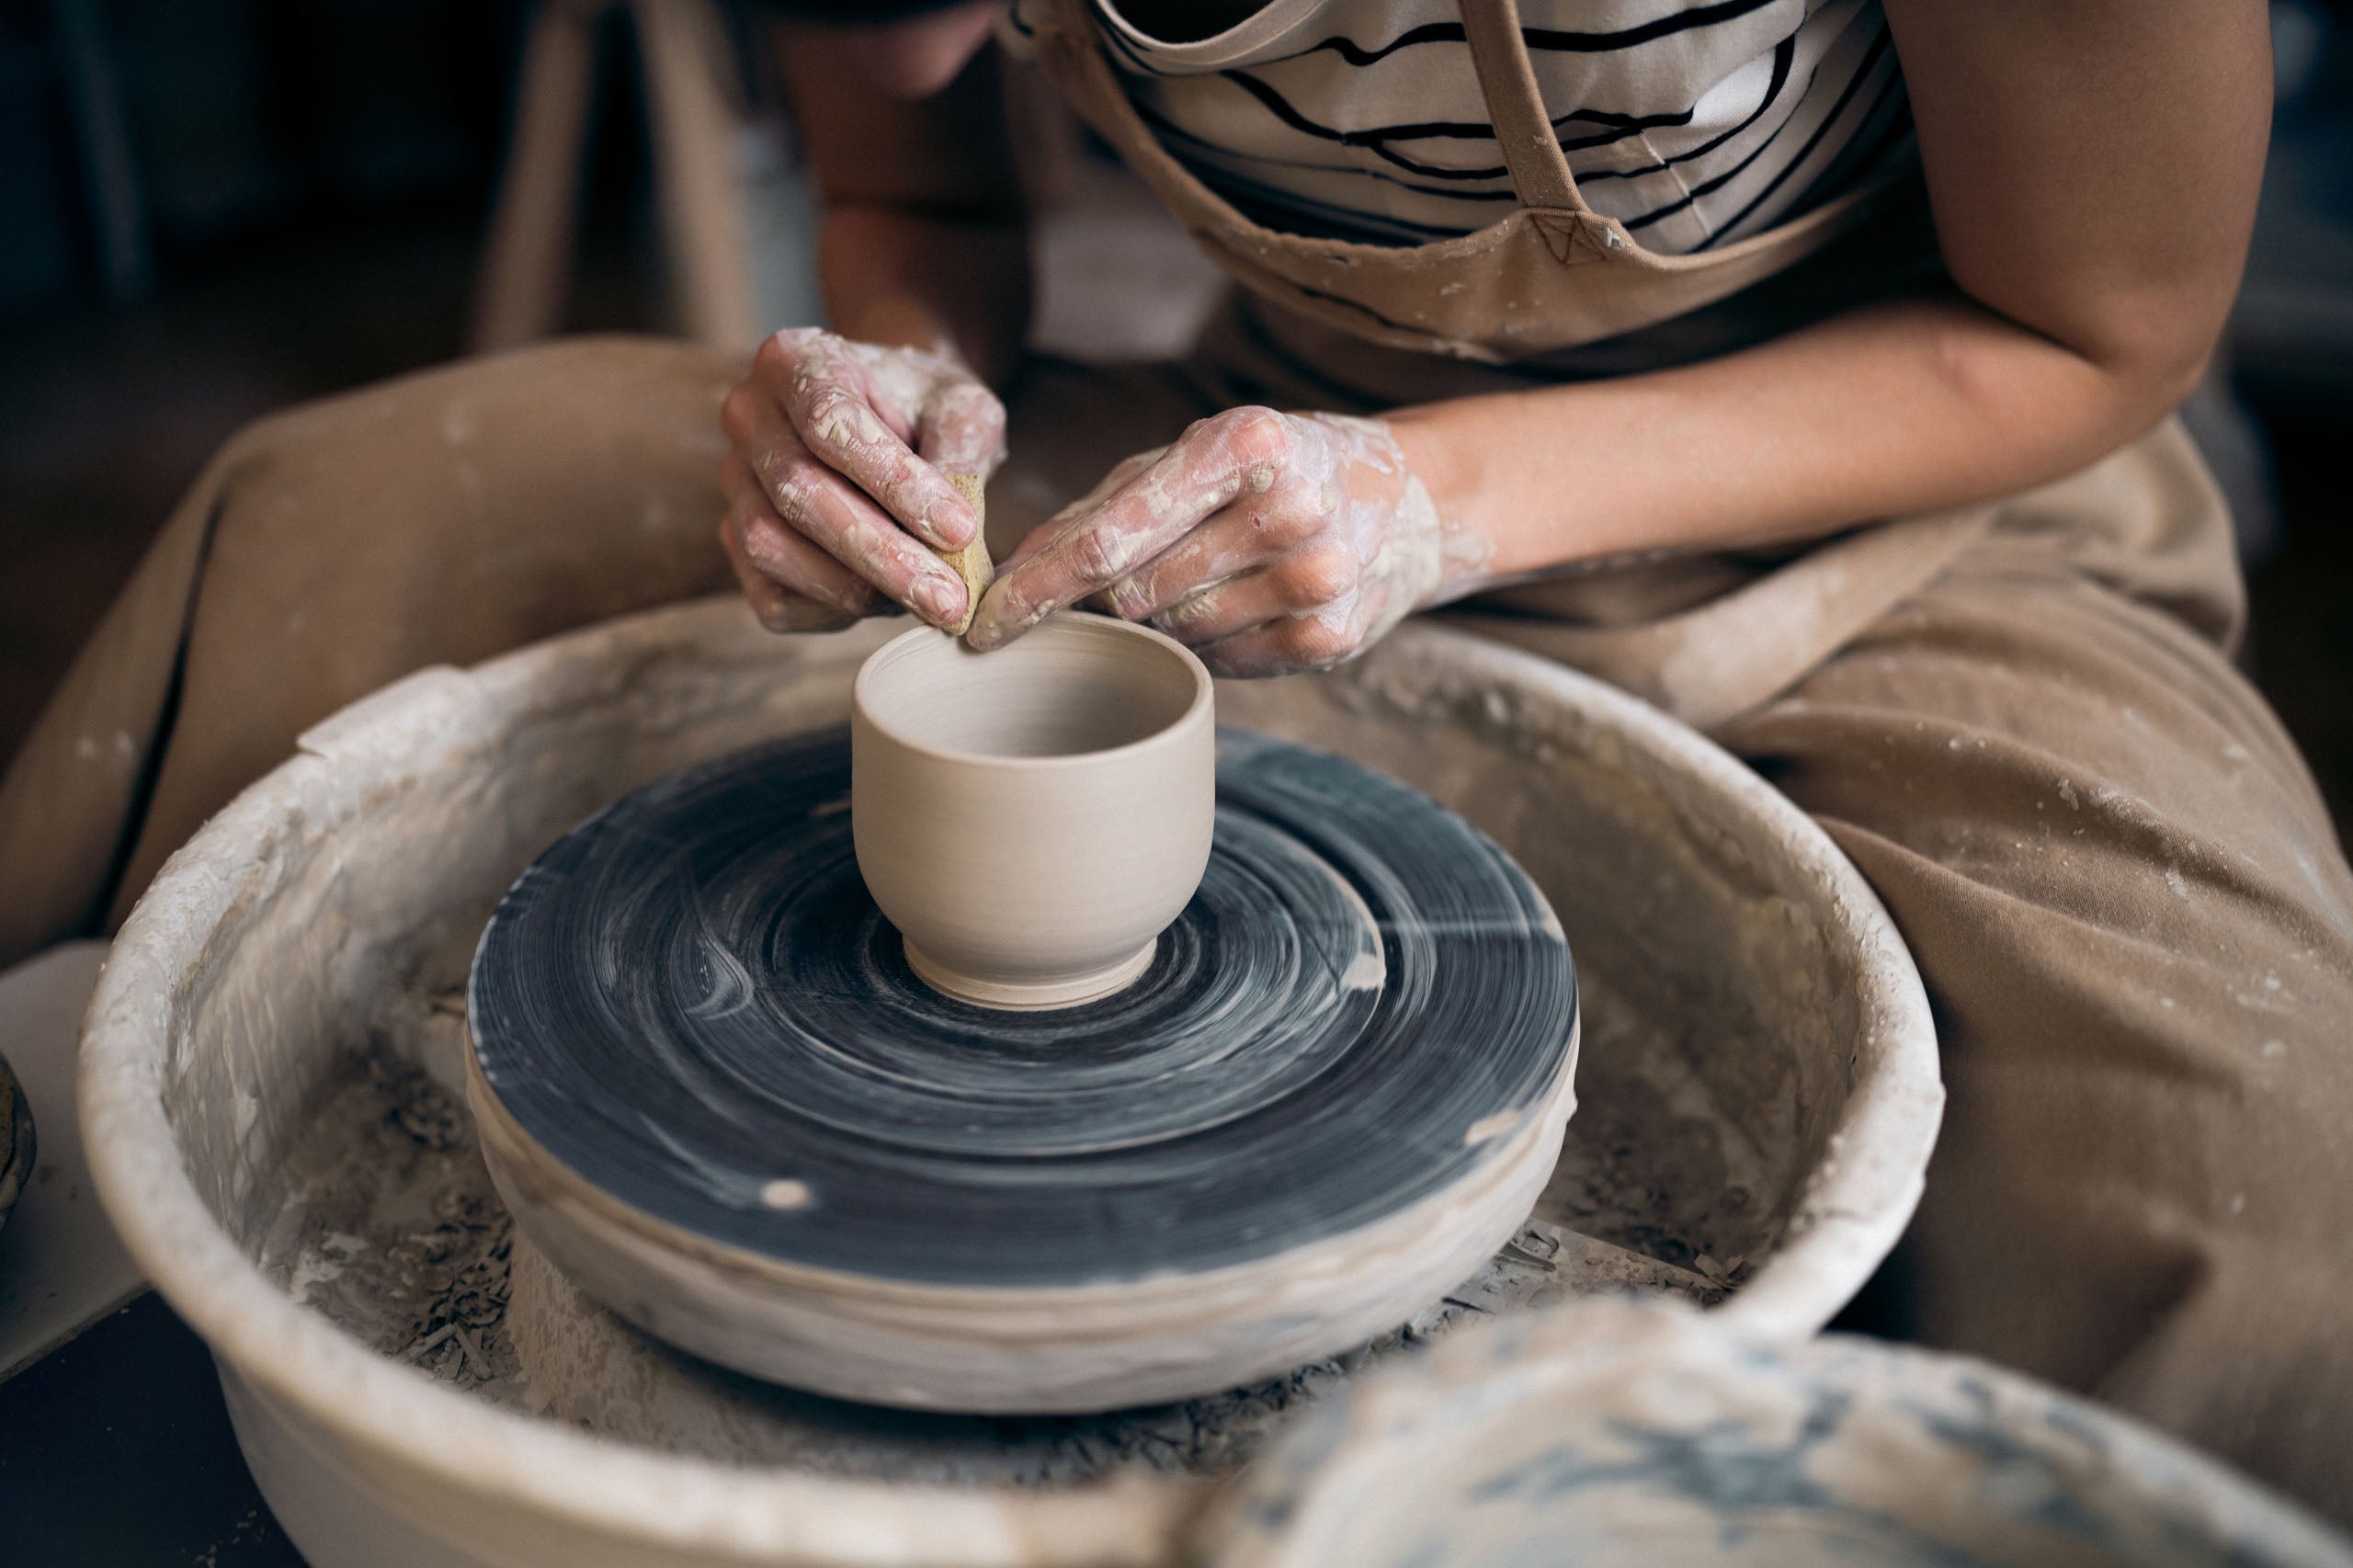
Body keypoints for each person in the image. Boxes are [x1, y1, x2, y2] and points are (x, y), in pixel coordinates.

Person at [2, 0, 2347, 1526]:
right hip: (1244, 468)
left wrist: (1442, 503)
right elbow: (916, 200)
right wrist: (886, 393)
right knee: (341, 518)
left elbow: (2092, 319)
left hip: (1902, 509)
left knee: (2238, 1196)